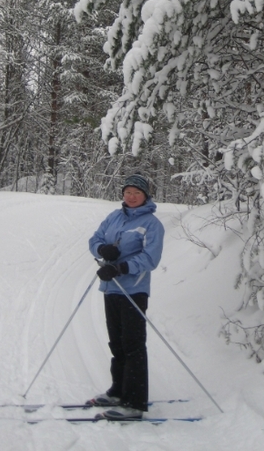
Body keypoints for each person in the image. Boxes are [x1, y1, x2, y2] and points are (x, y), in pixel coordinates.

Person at [87, 173, 165, 421]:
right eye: (128, 192)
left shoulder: (152, 224)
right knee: (117, 344)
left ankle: (134, 403)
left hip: (134, 290)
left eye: (137, 193)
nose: (131, 197)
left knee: (133, 345)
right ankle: (118, 392)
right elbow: (95, 239)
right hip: (111, 288)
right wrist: (102, 249)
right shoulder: (114, 216)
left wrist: (120, 267)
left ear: (145, 196)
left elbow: (150, 258)